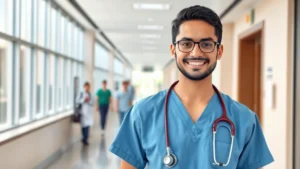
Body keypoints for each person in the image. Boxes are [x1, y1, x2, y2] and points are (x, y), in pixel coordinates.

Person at [109, 5, 274, 169]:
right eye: (186, 44)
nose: (196, 53)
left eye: (207, 44)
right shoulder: (142, 113)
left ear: (219, 51)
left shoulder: (244, 119)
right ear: (173, 50)